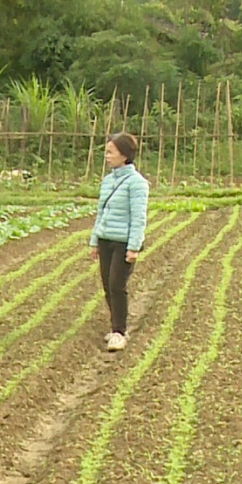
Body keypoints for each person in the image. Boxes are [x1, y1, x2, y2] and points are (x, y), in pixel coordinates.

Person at [89, 132, 149, 352]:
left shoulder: (137, 184)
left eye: (110, 152)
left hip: (123, 242)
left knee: (117, 285)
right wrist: (95, 241)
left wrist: (134, 247)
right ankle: (115, 326)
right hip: (106, 240)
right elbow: (101, 212)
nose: (106, 156)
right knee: (107, 284)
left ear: (124, 155)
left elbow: (139, 217)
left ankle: (120, 332)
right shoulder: (108, 181)